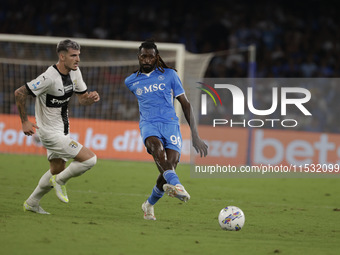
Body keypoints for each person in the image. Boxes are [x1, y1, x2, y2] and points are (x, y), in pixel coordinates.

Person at [125, 39, 208, 220]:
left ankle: (148, 204)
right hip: (149, 124)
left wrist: (195, 135)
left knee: (169, 167)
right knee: (157, 150)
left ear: (156, 58)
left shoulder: (170, 75)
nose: (146, 60)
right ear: (139, 57)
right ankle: (178, 186)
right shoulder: (131, 81)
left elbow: (185, 104)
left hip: (171, 124)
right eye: (143, 56)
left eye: (150, 57)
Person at [14, 39, 100, 214]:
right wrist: (24, 121)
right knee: (90, 159)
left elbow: (82, 99)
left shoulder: (75, 72)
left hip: (62, 130)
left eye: (78, 55)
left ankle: (32, 202)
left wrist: (89, 99)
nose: (77, 59)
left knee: (57, 168)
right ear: (62, 56)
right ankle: (60, 181)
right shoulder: (49, 78)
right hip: (49, 133)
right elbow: (20, 92)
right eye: (73, 55)